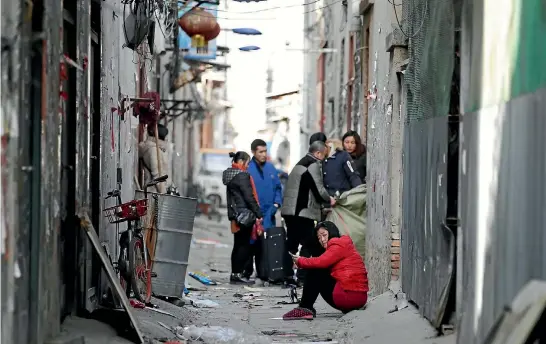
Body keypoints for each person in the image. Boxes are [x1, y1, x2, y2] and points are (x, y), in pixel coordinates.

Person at [282, 221, 369, 320]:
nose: (322, 240)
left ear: (332, 232)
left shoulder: (337, 244)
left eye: (324, 235)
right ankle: (306, 307)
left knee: (316, 270)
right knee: (318, 267)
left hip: (349, 297)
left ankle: (305, 307)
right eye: (319, 237)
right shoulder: (343, 244)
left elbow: (320, 262)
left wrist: (300, 261)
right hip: (358, 298)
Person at [281, 141, 334, 285]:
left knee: (291, 244)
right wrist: (330, 200)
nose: (323, 159)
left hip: (291, 211)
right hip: (302, 212)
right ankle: (304, 277)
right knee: (311, 244)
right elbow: (319, 188)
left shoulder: (300, 163)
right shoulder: (313, 164)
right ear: (318, 153)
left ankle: (288, 277)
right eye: (323, 155)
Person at [243, 139, 283, 284]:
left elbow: (278, 187)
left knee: (265, 245)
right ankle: (246, 273)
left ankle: (264, 273)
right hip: (252, 213)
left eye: (265, 151)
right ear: (254, 152)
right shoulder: (248, 168)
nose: (264, 154)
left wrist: (277, 203)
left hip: (268, 213)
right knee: (250, 244)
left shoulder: (271, 168)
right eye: (261, 151)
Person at [222, 151, 263, 285]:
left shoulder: (231, 175)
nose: (248, 166)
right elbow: (249, 197)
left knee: (238, 245)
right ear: (241, 162)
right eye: (247, 163)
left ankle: (235, 274)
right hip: (244, 215)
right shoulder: (242, 176)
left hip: (236, 215)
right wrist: (258, 213)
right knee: (244, 246)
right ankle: (238, 274)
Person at [139, 123, 171, 193]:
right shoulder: (154, 150)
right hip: (154, 193)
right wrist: (163, 194)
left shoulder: (158, 149)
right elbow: (157, 175)